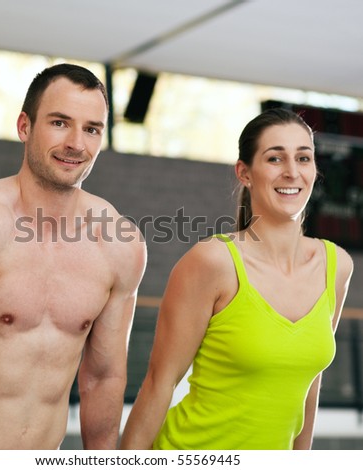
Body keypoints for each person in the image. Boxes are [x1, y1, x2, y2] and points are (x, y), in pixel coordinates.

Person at [0, 63, 147, 450]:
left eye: (92, 129)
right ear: (25, 127)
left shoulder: (120, 244)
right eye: (59, 123)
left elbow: (103, 378)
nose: (76, 143)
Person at [120, 108, 353, 450]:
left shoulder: (337, 266)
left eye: (303, 158)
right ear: (245, 173)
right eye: (275, 158)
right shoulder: (213, 261)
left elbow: (309, 384)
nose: (292, 172)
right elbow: (160, 383)